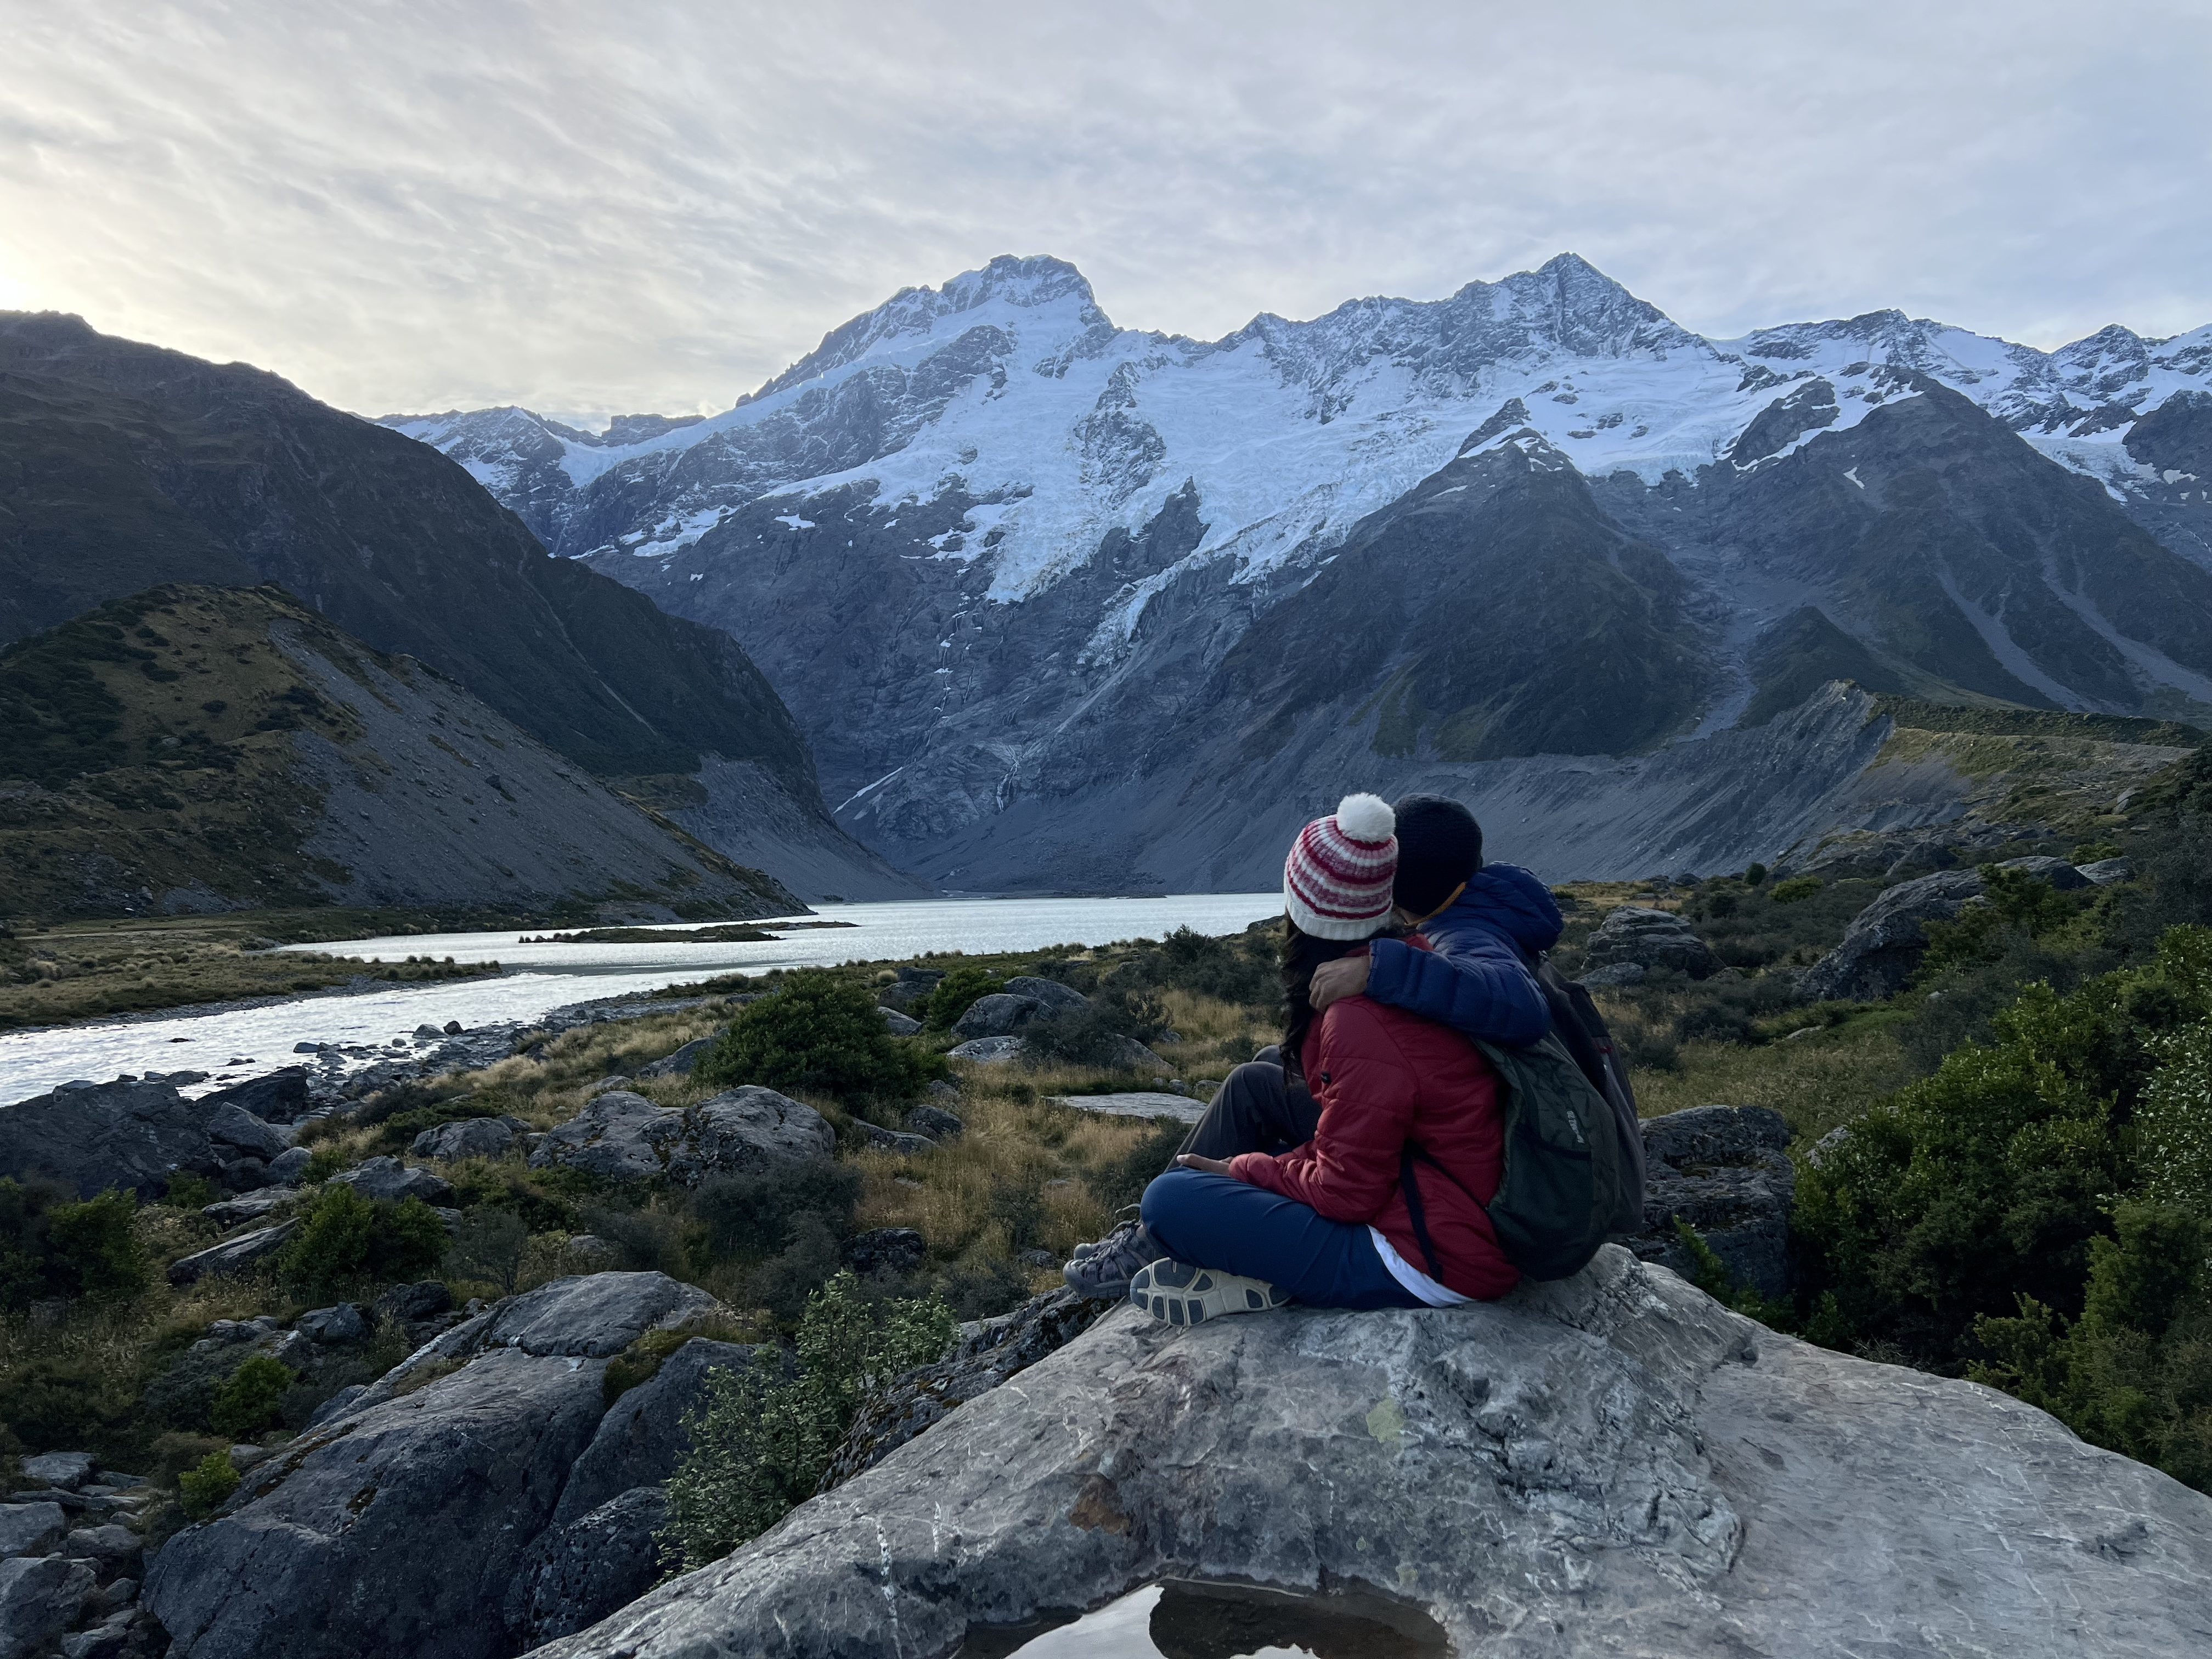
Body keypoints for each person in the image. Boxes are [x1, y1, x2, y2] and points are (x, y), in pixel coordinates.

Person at [1064, 789, 1558, 1294]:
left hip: (1433, 1255)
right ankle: (1162, 1241)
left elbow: (1347, 1193)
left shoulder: (1378, 998)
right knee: (1259, 1079)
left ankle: (1181, 1240)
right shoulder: (1409, 956)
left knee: (1170, 1201)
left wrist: (1245, 1169)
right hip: (1436, 1193)